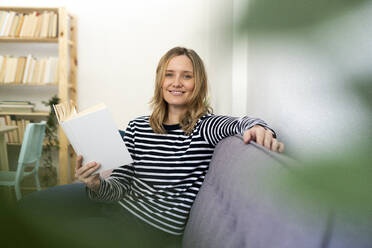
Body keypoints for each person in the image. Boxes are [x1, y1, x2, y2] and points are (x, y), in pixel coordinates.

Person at [74, 46, 284, 246]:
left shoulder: (205, 126)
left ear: (198, 83)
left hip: (152, 232)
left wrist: (259, 128)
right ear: (160, 81)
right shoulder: (137, 127)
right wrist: (96, 184)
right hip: (117, 216)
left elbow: (242, 123)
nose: (177, 82)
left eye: (187, 76)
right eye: (169, 74)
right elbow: (119, 187)